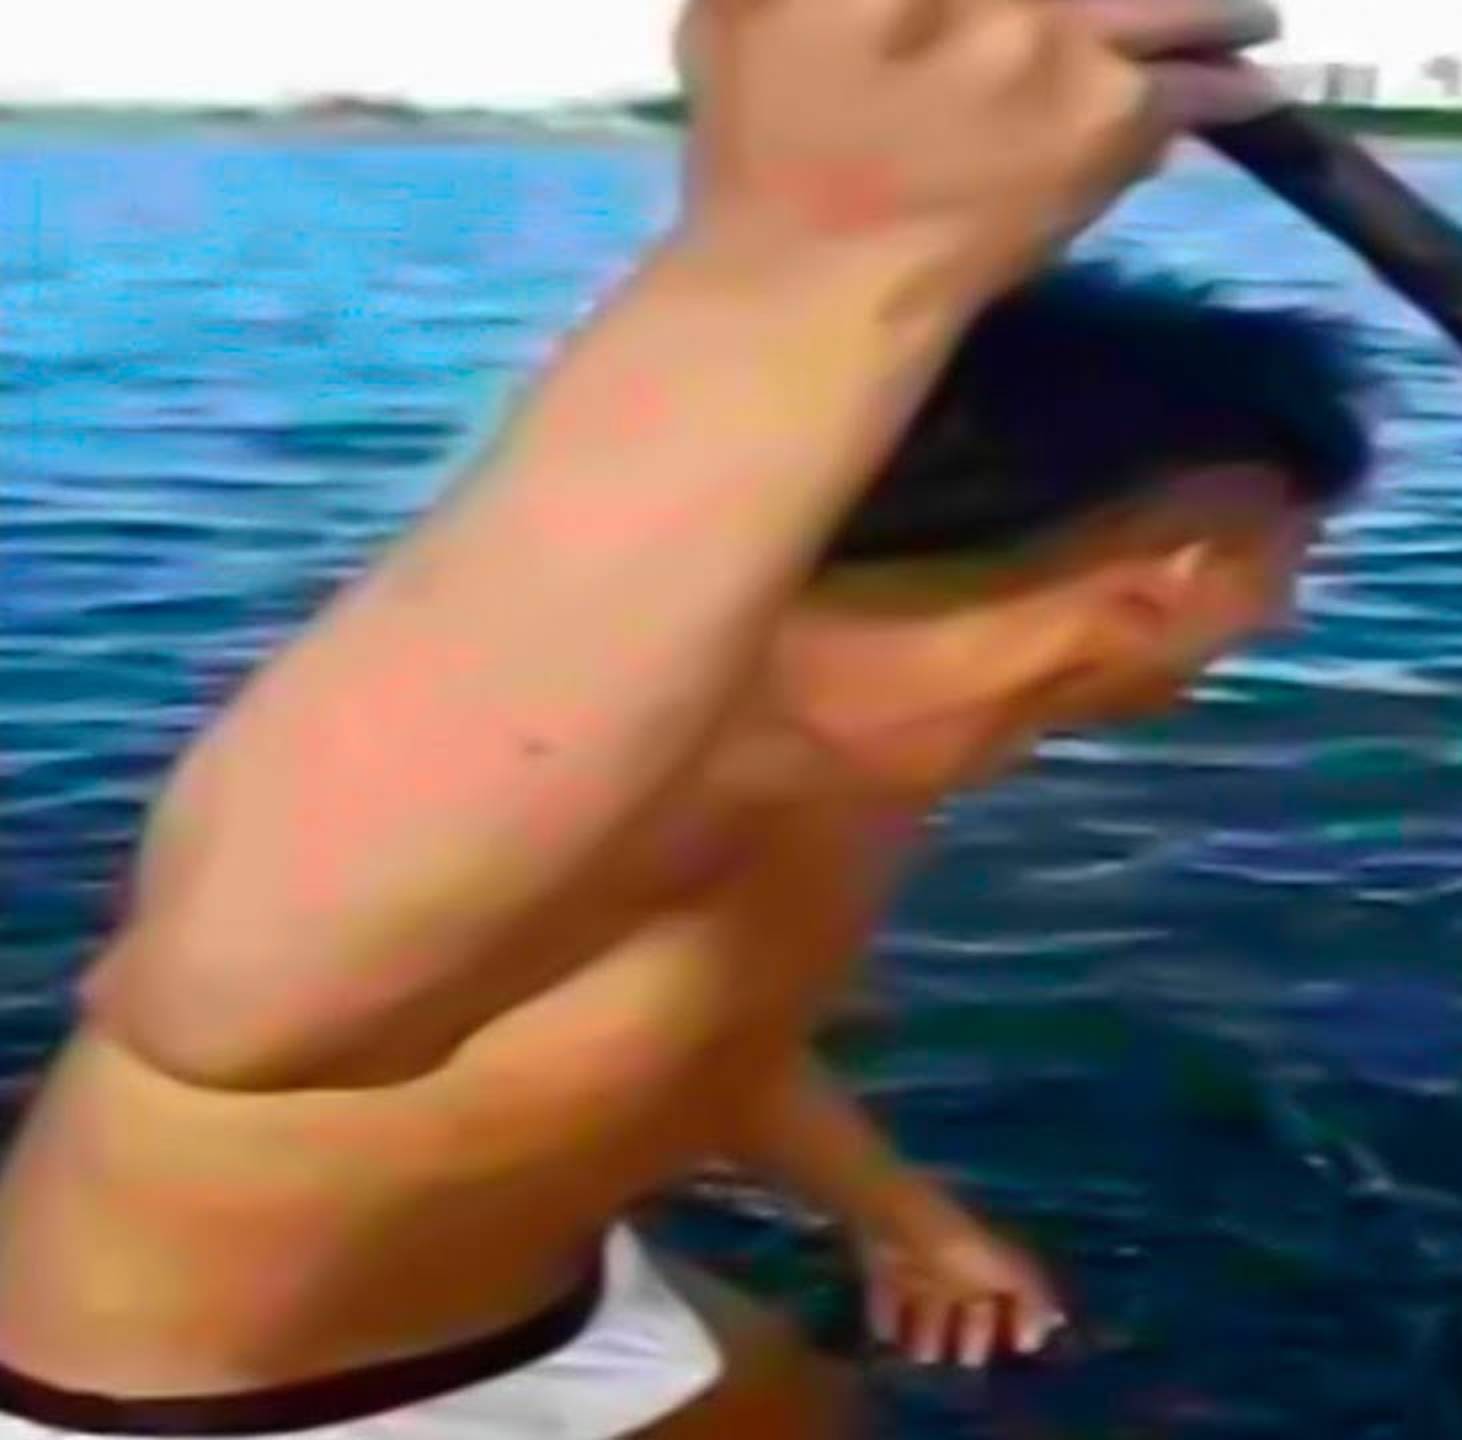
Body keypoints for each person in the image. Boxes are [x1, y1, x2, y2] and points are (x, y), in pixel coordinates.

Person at [0, 0, 1375, 1434]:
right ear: (1187, 561)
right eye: (1298, 555)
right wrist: (817, 255)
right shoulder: (659, 730)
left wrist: (901, 1216)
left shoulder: (873, 743)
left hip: (548, 1299)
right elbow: (227, 1002)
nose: (1286, 611)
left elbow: (714, 1019)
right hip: (210, 1407)